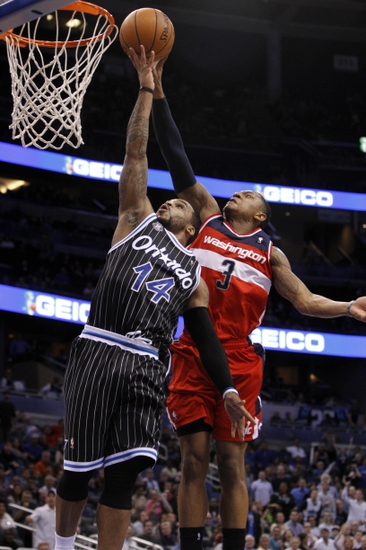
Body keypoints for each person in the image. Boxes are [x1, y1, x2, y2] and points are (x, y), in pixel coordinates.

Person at [150, 56, 366, 550]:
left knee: (232, 465)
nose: (239, 192)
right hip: (192, 352)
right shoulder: (205, 216)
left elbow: (307, 301)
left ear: (261, 214)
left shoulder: (272, 253)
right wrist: (157, 90)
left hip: (241, 360)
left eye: (249, 194)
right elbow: (175, 153)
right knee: (192, 460)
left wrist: (348, 306)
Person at [53, 46, 249, 550]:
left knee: (122, 479)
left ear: (191, 228)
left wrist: (227, 389)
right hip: (99, 347)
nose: (172, 200)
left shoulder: (194, 274)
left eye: (180, 203)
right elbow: (136, 151)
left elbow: (206, 341)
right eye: (169, 199)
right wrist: (145, 86)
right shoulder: (132, 218)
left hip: (146, 364)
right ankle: (57, 546)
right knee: (77, 472)